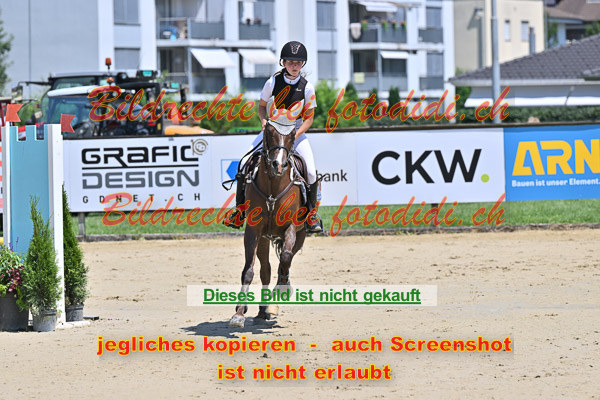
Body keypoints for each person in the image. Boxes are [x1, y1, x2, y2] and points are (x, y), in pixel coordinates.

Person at [225, 40, 323, 233]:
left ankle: (311, 215)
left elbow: (309, 119)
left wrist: (294, 135)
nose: (294, 66)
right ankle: (239, 211)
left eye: (298, 63)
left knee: (311, 172)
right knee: (244, 162)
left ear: (302, 64)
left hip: (295, 132)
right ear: (283, 63)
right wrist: (264, 122)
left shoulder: (307, 87)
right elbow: (262, 107)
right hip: (273, 130)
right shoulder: (272, 82)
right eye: (290, 62)